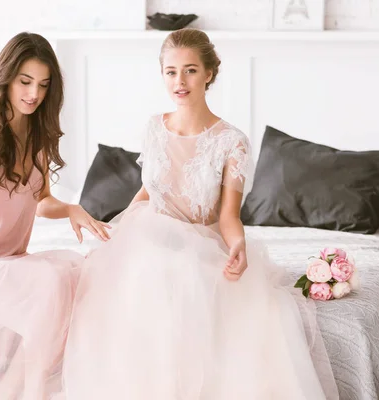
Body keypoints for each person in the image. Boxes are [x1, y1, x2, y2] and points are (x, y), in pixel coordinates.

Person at [57, 28, 339, 399]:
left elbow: (228, 216)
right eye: (171, 71)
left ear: (209, 73)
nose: (179, 81)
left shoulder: (231, 141)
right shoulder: (153, 128)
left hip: (199, 245)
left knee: (187, 282)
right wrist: (117, 230)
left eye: (190, 70)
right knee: (117, 279)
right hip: (148, 238)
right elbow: (147, 191)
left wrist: (237, 245)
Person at [0, 32, 110, 400]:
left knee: (77, 271)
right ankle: (29, 392)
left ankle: (24, 389)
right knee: (52, 278)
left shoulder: (37, 135)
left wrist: (71, 208)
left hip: (11, 261)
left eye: (43, 85)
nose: (33, 94)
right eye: (25, 82)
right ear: (6, 78)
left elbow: (40, 201)